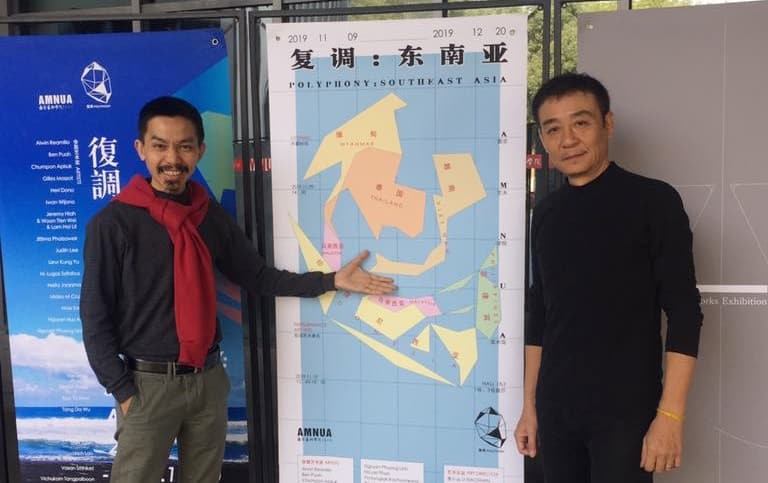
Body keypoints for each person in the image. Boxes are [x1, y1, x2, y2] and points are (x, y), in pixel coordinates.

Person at [80, 96, 396, 483]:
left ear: (200, 151)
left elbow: (257, 277)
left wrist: (330, 281)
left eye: (184, 146)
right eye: (160, 146)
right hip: (148, 386)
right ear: (141, 149)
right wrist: (124, 392)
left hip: (208, 380)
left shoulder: (208, 216)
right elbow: (95, 317)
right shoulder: (113, 224)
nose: (172, 159)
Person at [513, 73, 703, 483]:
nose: (568, 140)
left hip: (625, 413)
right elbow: (539, 313)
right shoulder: (546, 213)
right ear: (542, 139)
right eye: (553, 129)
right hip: (555, 410)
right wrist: (529, 406)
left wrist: (670, 416)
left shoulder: (654, 201)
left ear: (607, 124)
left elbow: (685, 312)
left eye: (580, 123)